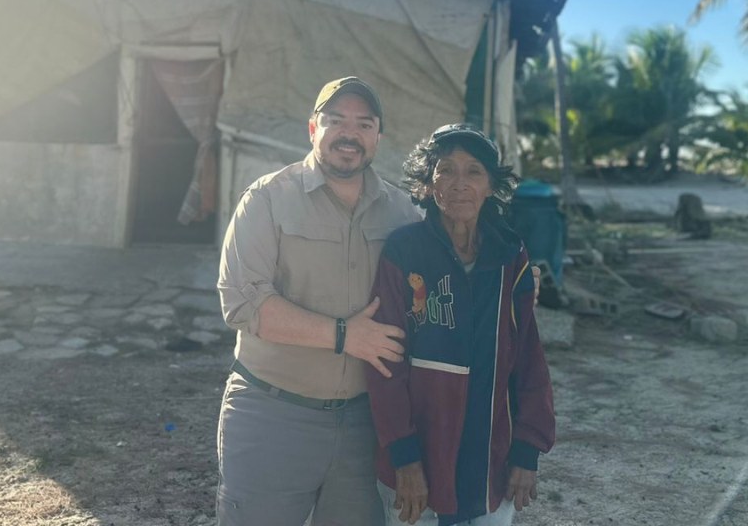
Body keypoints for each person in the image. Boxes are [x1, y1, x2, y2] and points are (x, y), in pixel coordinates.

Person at [216, 77, 423, 526]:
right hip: (273, 415)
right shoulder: (267, 199)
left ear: (377, 137)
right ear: (313, 129)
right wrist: (345, 335)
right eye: (336, 121)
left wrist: (513, 276)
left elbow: (452, 265)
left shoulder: (403, 213)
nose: (349, 134)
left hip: (365, 426)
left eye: (363, 124)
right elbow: (242, 302)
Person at [367, 125, 555, 526]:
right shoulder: (404, 251)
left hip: (493, 461)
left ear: (490, 186)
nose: (459, 184)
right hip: (419, 462)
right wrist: (404, 458)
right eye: (446, 170)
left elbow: (529, 359)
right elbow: (386, 365)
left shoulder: (510, 256)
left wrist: (527, 449)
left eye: (474, 172)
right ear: (428, 181)